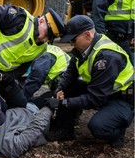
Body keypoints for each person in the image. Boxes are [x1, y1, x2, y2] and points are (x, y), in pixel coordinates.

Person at [44, 15, 134, 148]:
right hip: (101, 90)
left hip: (120, 98)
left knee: (98, 127)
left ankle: (118, 130)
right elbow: (70, 73)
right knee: (69, 87)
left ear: (87, 35)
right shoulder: (82, 49)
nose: (71, 44)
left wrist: (62, 103)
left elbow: (95, 99)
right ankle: (65, 130)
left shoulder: (106, 56)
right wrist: (59, 88)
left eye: (73, 40)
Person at [0, 4, 66, 108]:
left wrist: (1, 77)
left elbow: (20, 71)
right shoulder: (20, 18)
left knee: (20, 103)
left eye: (50, 38)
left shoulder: (42, 49)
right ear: (41, 21)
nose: (45, 40)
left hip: (0, 73)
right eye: (47, 34)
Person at [91, 0, 134, 64]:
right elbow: (97, 16)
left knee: (129, 69)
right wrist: (101, 41)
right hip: (110, 39)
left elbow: (132, 15)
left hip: (125, 40)